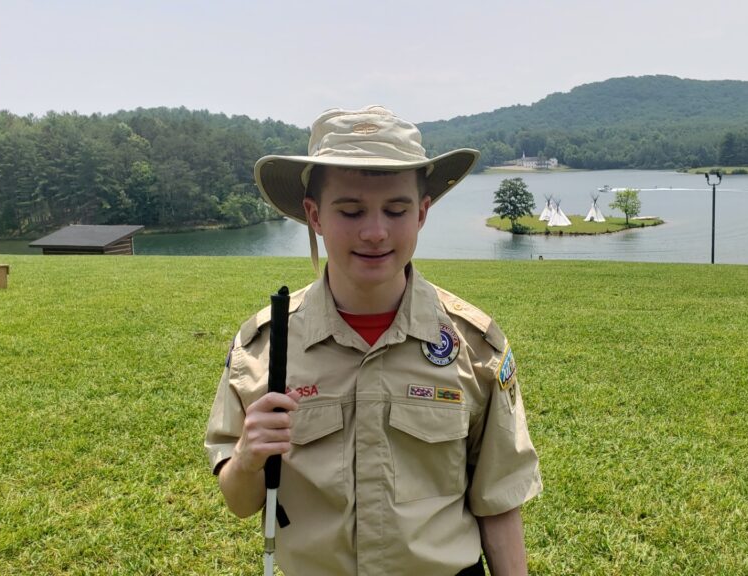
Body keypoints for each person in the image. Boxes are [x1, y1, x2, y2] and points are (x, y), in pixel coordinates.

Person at [205, 105, 542, 576]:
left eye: (396, 209)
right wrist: (247, 458)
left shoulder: (474, 346)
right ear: (314, 215)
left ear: (422, 212)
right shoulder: (263, 348)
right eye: (350, 210)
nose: (375, 232)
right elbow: (240, 503)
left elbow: (499, 501)